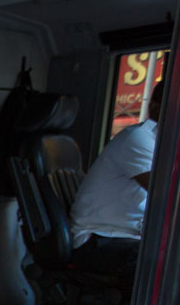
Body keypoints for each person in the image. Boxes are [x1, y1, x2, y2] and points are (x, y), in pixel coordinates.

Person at [69, 81, 164, 274]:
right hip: (98, 238)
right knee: (163, 264)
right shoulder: (139, 138)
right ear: (154, 107)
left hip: (128, 234)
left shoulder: (165, 143)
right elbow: (165, 194)